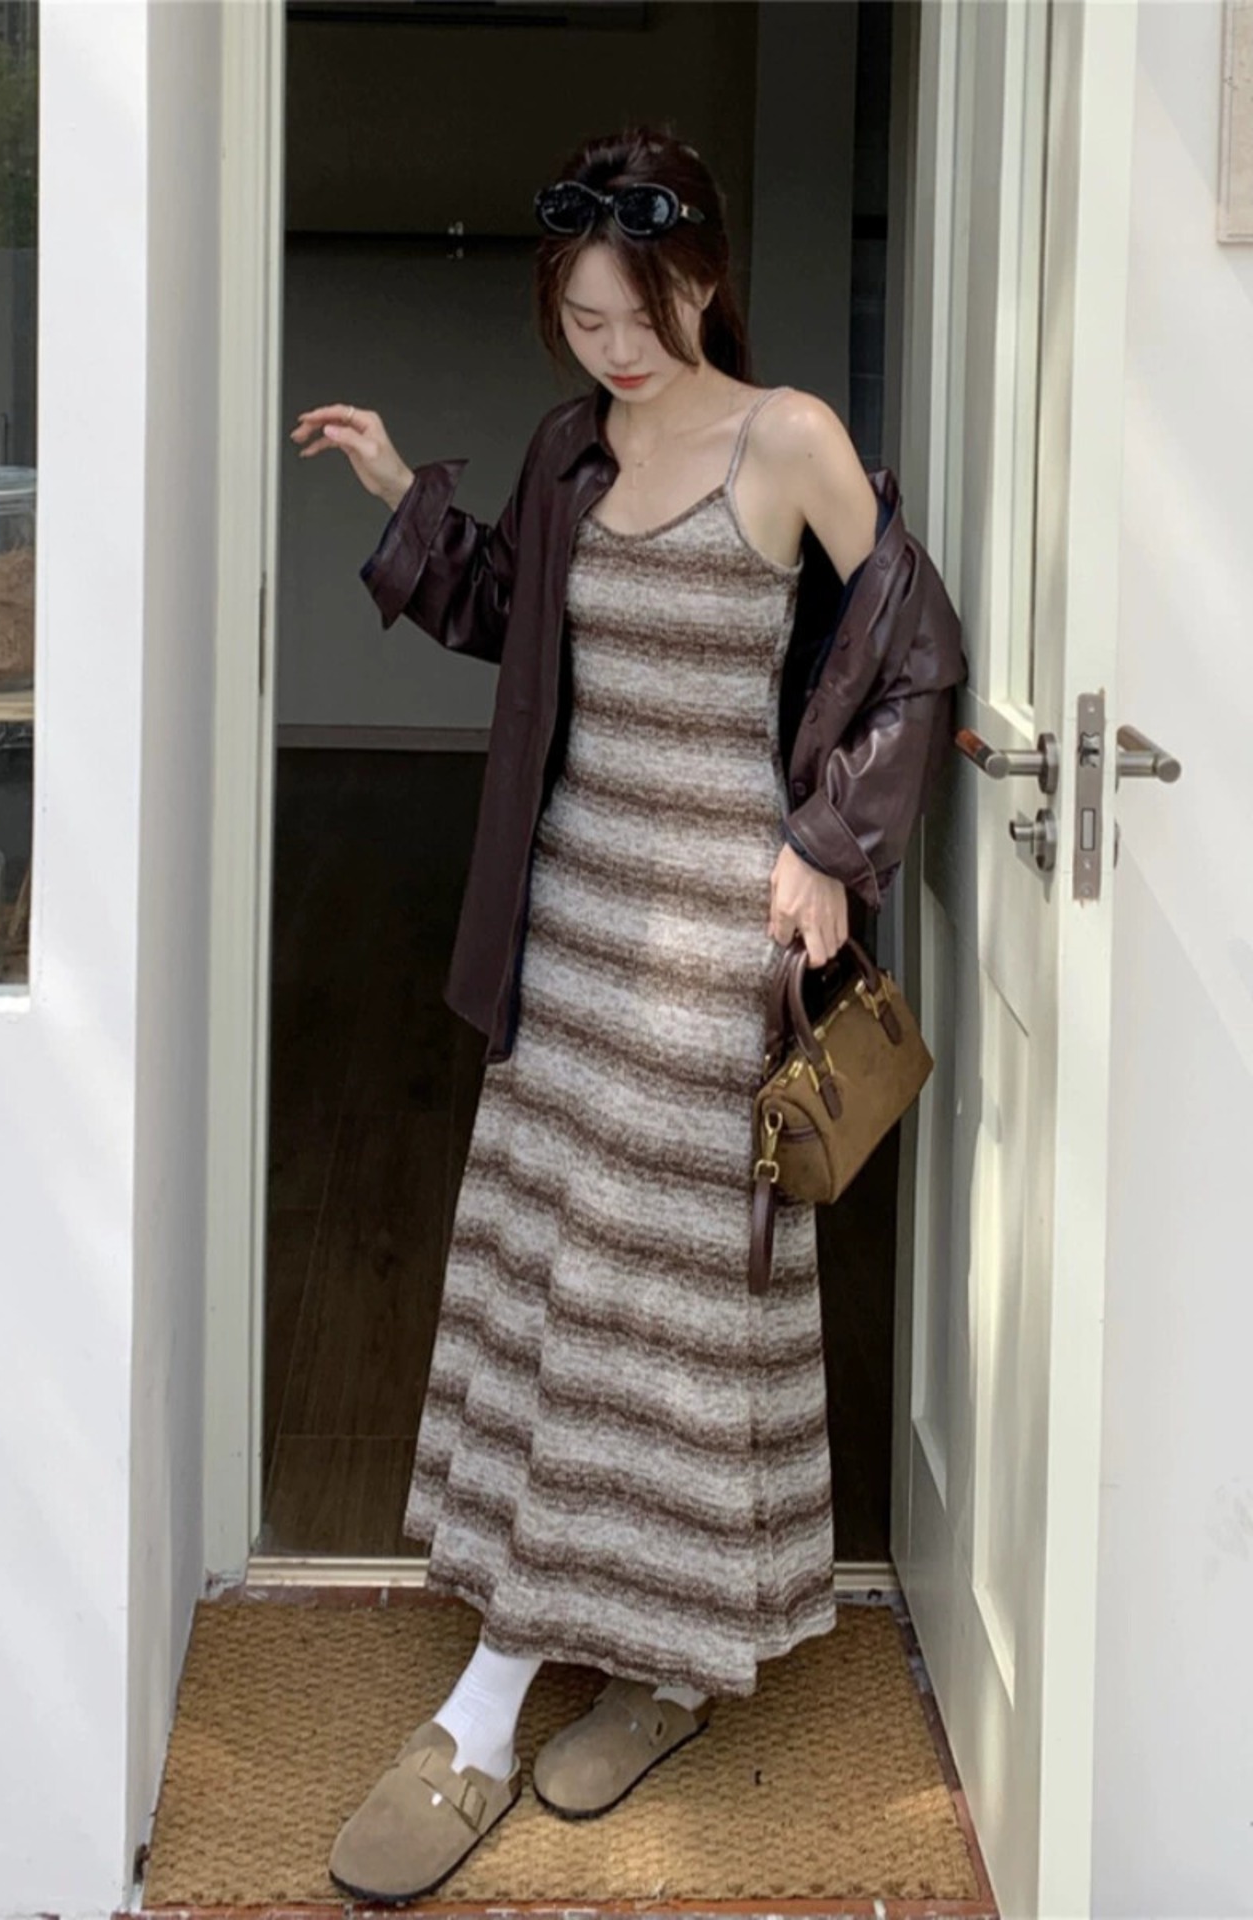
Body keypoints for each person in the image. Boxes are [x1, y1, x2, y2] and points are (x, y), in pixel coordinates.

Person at [291, 125, 961, 1906]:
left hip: (710, 945)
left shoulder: (788, 438)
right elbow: (517, 621)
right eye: (584, 321)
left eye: (641, 314)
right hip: (569, 927)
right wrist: (397, 492)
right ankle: (636, 1661)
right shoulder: (571, 448)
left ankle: (494, 1708)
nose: (616, 349)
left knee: (654, 1317)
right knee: (556, 1299)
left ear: (704, 278)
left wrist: (829, 848)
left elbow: (915, 654)